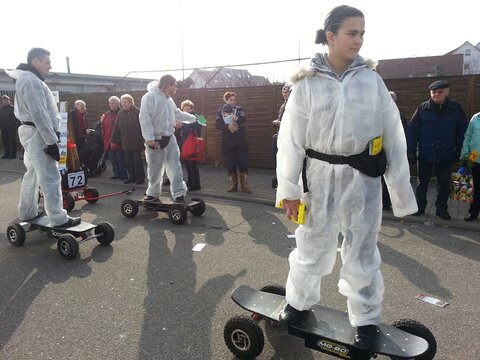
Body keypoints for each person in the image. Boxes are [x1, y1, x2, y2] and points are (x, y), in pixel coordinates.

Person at [275, 5, 417, 349]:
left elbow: (394, 136)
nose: (359, 40)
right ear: (331, 36)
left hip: (361, 180)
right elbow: (291, 141)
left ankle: (366, 321)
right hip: (319, 178)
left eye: (362, 33)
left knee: (363, 250)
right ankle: (298, 303)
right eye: (352, 33)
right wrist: (289, 190)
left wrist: (399, 190)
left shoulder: (371, 81)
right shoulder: (306, 85)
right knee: (311, 242)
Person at [5, 48, 79, 227]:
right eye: (47, 62)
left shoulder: (28, 79)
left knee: (33, 174)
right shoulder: (30, 81)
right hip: (38, 133)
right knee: (50, 176)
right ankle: (58, 218)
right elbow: (39, 113)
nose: (50, 65)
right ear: (35, 62)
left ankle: (27, 211)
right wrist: (51, 141)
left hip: (32, 132)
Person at [406, 80, 468, 220]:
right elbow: (413, 130)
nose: (436, 94)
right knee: (422, 183)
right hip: (425, 153)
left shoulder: (455, 108)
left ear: (447, 92)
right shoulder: (422, 108)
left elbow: (461, 131)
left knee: (444, 184)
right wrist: (410, 150)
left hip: (445, 154)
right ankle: (420, 207)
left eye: (440, 92)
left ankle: (441, 209)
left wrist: (460, 150)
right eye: (434, 92)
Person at [139, 74, 196, 204]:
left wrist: (193, 118)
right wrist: (149, 137)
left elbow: (177, 113)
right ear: (168, 84)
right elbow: (144, 117)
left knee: (175, 166)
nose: (176, 88)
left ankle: (179, 193)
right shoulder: (150, 97)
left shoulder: (169, 100)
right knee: (155, 168)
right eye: (174, 85)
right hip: (155, 139)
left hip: (169, 138)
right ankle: (152, 193)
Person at [215, 91, 251, 193]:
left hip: (241, 142)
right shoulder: (221, 111)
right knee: (231, 164)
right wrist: (227, 127)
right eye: (230, 99)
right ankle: (233, 185)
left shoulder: (240, 109)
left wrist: (237, 118)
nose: (233, 101)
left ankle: (244, 186)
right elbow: (217, 125)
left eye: (234, 99)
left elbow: (244, 118)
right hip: (228, 143)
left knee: (243, 163)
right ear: (226, 100)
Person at [381, 91, 407, 211]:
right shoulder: (378, 114)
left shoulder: (399, 115)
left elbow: (403, 135)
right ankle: (385, 203)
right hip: (380, 152)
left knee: (395, 178)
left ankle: (396, 203)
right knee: (382, 179)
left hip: (394, 152)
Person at [111, 94, 145, 184]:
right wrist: (113, 140)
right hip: (125, 142)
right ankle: (131, 177)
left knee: (137, 162)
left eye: (125, 102)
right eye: (122, 103)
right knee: (128, 161)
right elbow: (116, 127)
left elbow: (144, 127)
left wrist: (144, 140)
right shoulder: (120, 113)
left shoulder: (138, 112)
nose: (123, 104)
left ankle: (140, 178)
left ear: (131, 102)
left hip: (137, 141)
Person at [176, 99, 203, 191]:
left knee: (192, 164)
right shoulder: (181, 118)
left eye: (188, 109)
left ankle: (196, 184)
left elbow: (203, 123)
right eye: (185, 109)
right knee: (187, 164)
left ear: (192, 109)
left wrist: (183, 125)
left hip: (192, 143)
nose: (187, 111)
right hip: (184, 143)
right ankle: (190, 182)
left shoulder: (196, 117)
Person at [101, 96, 128, 180]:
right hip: (108, 140)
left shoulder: (122, 113)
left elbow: (124, 127)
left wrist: (119, 138)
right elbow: (103, 126)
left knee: (120, 158)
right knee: (112, 158)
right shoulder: (106, 114)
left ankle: (123, 174)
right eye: (110, 103)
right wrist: (104, 136)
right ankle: (116, 173)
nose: (111, 105)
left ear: (118, 103)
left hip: (118, 140)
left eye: (113, 103)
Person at [460, 112, 480, 221]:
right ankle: (473, 212)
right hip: (475, 160)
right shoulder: (476, 117)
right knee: (476, 189)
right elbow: (468, 136)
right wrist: (465, 154)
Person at [272, 83, 292, 188]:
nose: (285, 94)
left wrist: (280, 123)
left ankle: (286, 183)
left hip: (289, 139)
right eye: (283, 92)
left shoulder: (294, 104)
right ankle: (281, 181)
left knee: (287, 162)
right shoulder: (284, 105)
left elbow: (294, 122)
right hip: (281, 136)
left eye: (287, 92)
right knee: (279, 160)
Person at [0, 95, 19, 159]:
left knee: (12, 141)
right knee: (5, 141)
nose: (5, 101)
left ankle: (13, 155)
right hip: (3, 128)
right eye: (3, 100)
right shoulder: (1, 109)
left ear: (9, 101)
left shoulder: (13, 108)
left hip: (11, 127)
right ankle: (7, 154)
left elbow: (15, 118)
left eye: (6, 100)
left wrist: (9, 124)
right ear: (2, 101)